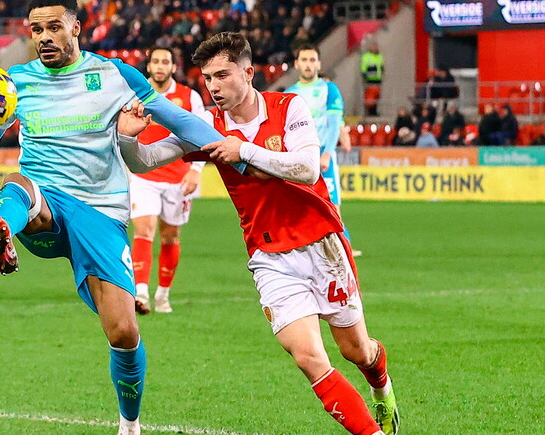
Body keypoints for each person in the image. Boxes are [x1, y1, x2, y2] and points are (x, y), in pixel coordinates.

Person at [0, 0, 238, 435]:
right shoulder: (16, 82)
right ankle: (1, 230)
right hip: (42, 203)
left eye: (53, 27)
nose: (43, 36)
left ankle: (129, 424)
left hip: (100, 213)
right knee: (19, 185)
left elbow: (180, 122)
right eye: (36, 29)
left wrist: (239, 151)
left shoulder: (114, 75)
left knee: (123, 332)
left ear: (76, 27)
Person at [117, 32, 398, 435]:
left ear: (248, 73)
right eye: (206, 78)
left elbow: (308, 168)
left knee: (358, 350)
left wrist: (243, 150)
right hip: (270, 257)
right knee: (307, 357)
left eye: (222, 75)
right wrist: (128, 136)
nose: (213, 86)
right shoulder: (208, 127)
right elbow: (145, 162)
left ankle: (381, 386)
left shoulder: (288, 106)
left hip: (323, 244)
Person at [129, 46, 205, 315]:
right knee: (144, 231)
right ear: (149, 67)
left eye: (166, 62)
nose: (160, 66)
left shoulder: (189, 97)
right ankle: (140, 294)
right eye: (155, 62)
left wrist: (196, 169)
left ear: (174, 67)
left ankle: (162, 294)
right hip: (143, 175)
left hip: (178, 178)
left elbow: (201, 132)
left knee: (170, 237)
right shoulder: (135, 95)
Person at [285, 45, 360, 255]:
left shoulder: (329, 90)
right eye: (304, 60)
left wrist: (326, 153)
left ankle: (342, 252)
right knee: (299, 207)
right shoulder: (290, 94)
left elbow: (335, 123)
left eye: (312, 60)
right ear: (297, 64)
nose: (308, 64)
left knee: (332, 206)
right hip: (299, 159)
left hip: (323, 159)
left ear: (319, 63)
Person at [359, 40, 383, 116]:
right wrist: (365, 76)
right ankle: (369, 112)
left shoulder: (379, 56)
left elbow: (381, 67)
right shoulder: (366, 56)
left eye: (376, 46)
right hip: (369, 80)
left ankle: (374, 111)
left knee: (376, 97)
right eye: (373, 46)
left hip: (378, 80)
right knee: (370, 97)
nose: (375, 48)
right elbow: (363, 67)